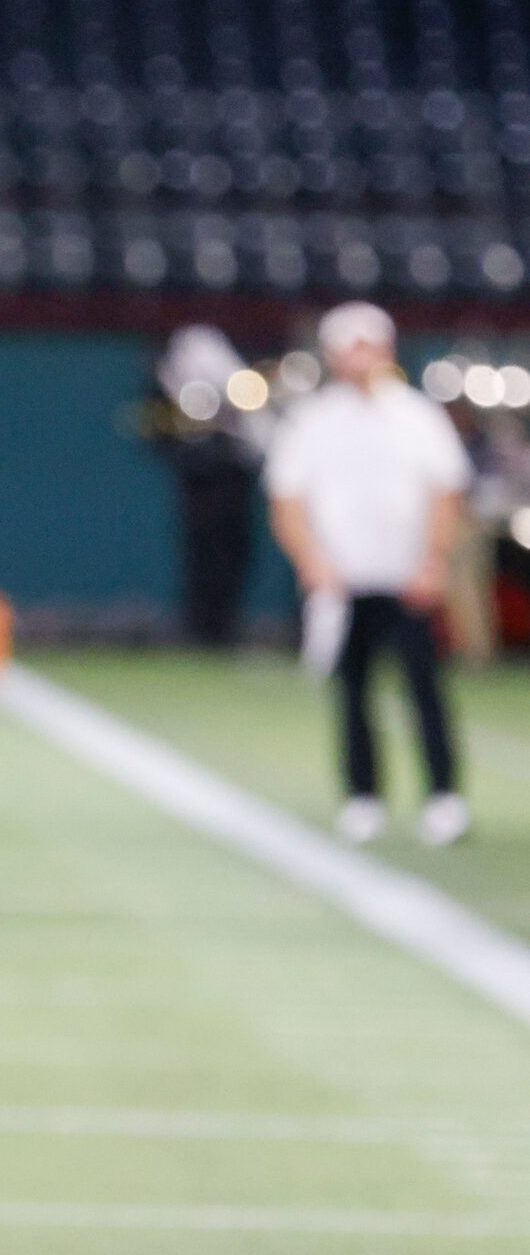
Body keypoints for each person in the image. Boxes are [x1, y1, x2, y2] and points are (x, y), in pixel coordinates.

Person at [267, 302, 473, 847]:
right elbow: (286, 499)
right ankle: (363, 796)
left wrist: (434, 561)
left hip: (408, 579)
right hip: (343, 581)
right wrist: (313, 560)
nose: (361, 357)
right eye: (351, 347)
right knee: (352, 692)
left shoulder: (418, 415)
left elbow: (445, 493)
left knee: (425, 689)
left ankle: (444, 795)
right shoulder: (312, 420)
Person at [143, 325, 270, 650]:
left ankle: (224, 625)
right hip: (200, 481)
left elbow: (255, 423)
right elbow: (157, 429)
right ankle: (200, 627)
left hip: (234, 481)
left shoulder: (235, 381)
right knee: (202, 552)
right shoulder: (170, 382)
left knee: (235, 550)